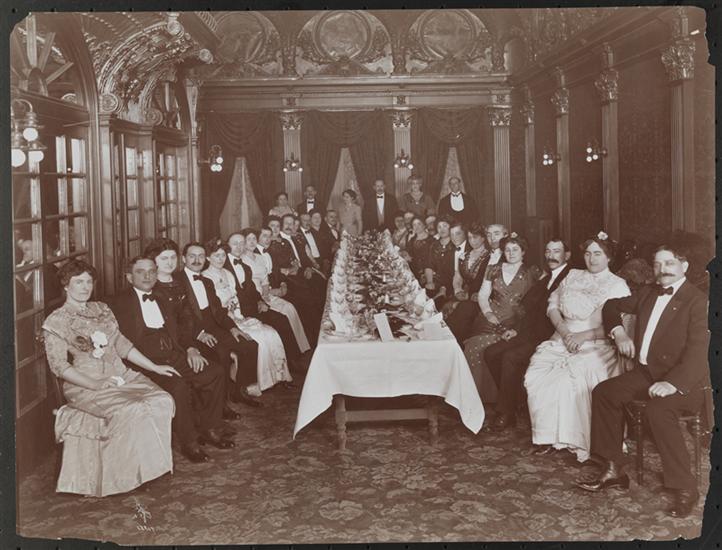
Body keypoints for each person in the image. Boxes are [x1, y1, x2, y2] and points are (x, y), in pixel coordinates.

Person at [577, 241, 710, 518]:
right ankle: (613, 469)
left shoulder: (697, 301)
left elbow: (700, 353)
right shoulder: (649, 291)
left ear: (684, 266)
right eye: (658, 264)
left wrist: (673, 383)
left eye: (669, 263)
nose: (662, 270)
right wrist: (618, 332)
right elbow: (611, 306)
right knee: (604, 392)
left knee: (658, 410)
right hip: (647, 374)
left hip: (685, 381)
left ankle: (685, 488)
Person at [43, 259, 175, 495]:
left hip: (121, 374)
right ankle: (125, 477)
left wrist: (154, 367)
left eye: (88, 282)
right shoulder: (57, 320)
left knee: (161, 399)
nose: (85, 287)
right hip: (85, 384)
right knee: (132, 409)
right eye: (78, 282)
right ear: (66, 285)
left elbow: (122, 345)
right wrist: (95, 383)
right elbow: (59, 366)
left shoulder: (102, 309)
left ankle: (149, 469)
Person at [109, 256, 233, 464]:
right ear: (129, 277)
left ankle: (210, 428)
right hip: (145, 363)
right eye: (141, 272)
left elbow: (182, 329)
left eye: (152, 271)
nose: (147, 276)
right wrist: (152, 366)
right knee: (178, 386)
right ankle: (189, 442)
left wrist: (191, 349)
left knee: (214, 373)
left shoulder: (163, 297)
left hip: (174, 355)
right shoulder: (117, 303)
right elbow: (117, 342)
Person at [524, 232, 630, 462]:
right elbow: (552, 306)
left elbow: (619, 324)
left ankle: (576, 439)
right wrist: (565, 332)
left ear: (609, 257)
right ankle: (549, 436)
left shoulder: (617, 285)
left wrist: (584, 336)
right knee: (535, 377)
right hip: (562, 337)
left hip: (597, 343)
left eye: (598, 254)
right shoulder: (572, 275)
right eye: (588, 253)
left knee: (570, 381)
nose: (592, 259)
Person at [146, 238, 246, 422]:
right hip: (177, 343)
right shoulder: (162, 285)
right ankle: (213, 410)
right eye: (164, 258)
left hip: (192, 334)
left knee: (242, 345)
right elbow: (174, 325)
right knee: (218, 355)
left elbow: (192, 317)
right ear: (184, 259)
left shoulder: (189, 283)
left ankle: (228, 399)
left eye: (172, 258)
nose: (170, 262)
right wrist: (194, 341)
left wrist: (231, 328)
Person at [484, 238, 572, 432]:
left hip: (551, 336)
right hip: (530, 332)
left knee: (510, 357)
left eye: (556, 251)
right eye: (548, 251)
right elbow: (529, 310)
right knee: (491, 353)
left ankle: (506, 412)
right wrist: (516, 329)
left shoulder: (570, 278)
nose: (551, 256)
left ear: (567, 255)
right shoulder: (545, 278)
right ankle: (516, 401)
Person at [175, 242, 263, 406]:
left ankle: (238, 391)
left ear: (205, 259)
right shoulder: (177, 282)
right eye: (192, 256)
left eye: (201, 256)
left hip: (213, 324)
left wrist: (233, 328)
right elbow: (177, 318)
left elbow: (218, 310)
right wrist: (199, 334)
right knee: (221, 353)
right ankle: (222, 404)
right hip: (193, 330)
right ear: (184, 258)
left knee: (250, 345)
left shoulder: (207, 281)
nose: (197, 260)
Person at [202, 239, 293, 394]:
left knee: (271, 333)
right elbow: (215, 309)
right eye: (216, 255)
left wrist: (240, 315)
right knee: (258, 338)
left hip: (238, 315)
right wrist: (233, 318)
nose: (221, 259)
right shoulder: (205, 277)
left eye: (223, 255)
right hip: (223, 321)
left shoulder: (228, 274)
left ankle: (277, 377)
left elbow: (236, 298)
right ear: (208, 258)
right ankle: (256, 384)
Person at [464, 233, 538, 403]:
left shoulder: (533, 272)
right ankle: (475, 399)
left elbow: (539, 300)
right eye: (507, 250)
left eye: (515, 249)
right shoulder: (493, 269)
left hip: (515, 322)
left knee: (494, 350)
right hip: (491, 317)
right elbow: (483, 295)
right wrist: (488, 313)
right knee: (473, 346)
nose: (511, 253)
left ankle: (497, 399)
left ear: (523, 251)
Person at [225, 231, 301, 364]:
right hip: (239, 311)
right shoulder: (223, 265)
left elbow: (251, 289)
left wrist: (260, 301)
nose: (239, 247)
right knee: (274, 325)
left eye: (241, 243)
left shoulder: (245, 266)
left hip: (253, 305)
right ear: (227, 245)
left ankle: (291, 362)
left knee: (282, 319)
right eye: (235, 243)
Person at [240, 228, 311, 356]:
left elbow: (265, 279)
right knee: (283, 316)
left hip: (265, 293)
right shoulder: (242, 260)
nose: (252, 242)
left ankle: (302, 348)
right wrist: (262, 297)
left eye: (254, 239)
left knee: (289, 307)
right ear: (243, 242)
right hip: (255, 297)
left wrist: (266, 293)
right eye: (248, 239)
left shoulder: (260, 257)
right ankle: (291, 354)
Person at [444, 222, 492, 343]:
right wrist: (457, 289)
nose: (472, 241)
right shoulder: (464, 256)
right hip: (465, 295)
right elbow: (458, 276)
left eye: (475, 237)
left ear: (483, 238)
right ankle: (445, 342)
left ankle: (456, 344)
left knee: (465, 309)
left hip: (481, 297)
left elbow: (489, 282)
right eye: (469, 238)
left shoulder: (489, 257)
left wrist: (470, 295)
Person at [405, 216, 433, 283]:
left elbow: (432, 260)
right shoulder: (412, 240)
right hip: (413, 271)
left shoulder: (431, 240)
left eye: (419, 224)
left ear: (424, 225)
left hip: (427, 273)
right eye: (414, 225)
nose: (416, 227)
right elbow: (409, 253)